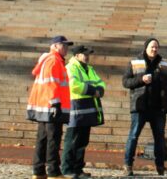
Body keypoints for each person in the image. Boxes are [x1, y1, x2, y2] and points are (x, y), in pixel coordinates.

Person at [122, 38, 167, 176]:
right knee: (133, 136)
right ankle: (128, 165)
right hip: (140, 107)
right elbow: (126, 82)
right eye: (152, 47)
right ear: (146, 47)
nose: (154, 49)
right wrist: (141, 79)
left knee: (159, 139)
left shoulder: (164, 64)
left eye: (156, 47)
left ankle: (160, 167)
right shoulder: (135, 62)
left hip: (158, 109)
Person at [27, 35, 73, 179]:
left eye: (66, 46)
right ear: (54, 46)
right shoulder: (54, 61)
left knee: (43, 138)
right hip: (51, 106)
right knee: (53, 138)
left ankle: (39, 171)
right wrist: (55, 103)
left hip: (44, 106)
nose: (66, 48)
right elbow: (51, 83)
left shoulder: (50, 60)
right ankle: (53, 172)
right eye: (63, 45)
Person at [61, 45, 107, 179]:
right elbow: (73, 85)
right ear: (76, 55)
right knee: (72, 140)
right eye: (84, 54)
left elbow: (101, 83)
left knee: (82, 141)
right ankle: (67, 169)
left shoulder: (90, 69)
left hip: (87, 109)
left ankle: (78, 169)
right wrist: (94, 91)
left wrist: (100, 90)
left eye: (88, 54)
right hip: (76, 109)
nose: (87, 56)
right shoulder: (71, 67)